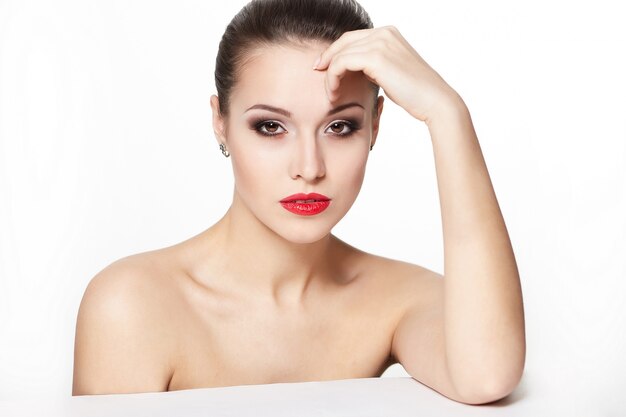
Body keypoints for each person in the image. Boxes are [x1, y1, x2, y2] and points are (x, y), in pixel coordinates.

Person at [72, 0, 526, 405]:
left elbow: (485, 377)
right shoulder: (132, 306)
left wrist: (446, 113)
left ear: (375, 126)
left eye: (340, 127)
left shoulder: (398, 299)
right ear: (220, 123)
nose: (309, 168)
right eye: (271, 127)